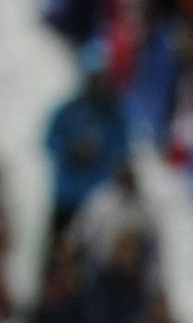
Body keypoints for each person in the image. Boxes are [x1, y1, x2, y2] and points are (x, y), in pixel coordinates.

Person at [45, 42, 130, 239]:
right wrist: (69, 151)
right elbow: (50, 140)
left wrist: (99, 158)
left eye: (100, 78)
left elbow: (121, 150)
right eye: (92, 78)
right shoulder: (70, 110)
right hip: (65, 194)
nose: (96, 84)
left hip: (95, 199)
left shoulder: (113, 116)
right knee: (58, 243)